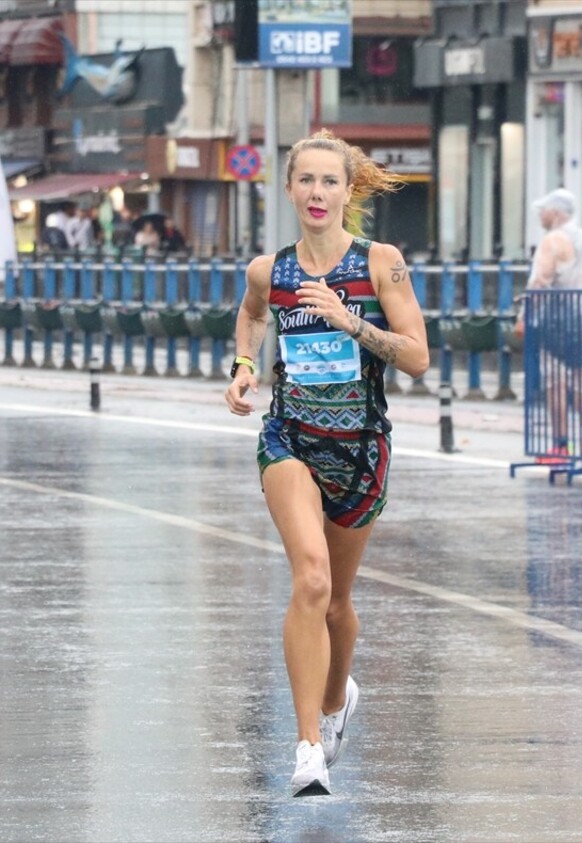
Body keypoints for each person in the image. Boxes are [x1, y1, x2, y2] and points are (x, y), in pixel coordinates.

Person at [224, 129, 428, 797]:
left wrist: (350, 322)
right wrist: (245, 366)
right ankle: (308, 744)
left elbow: (418, 356)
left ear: (347, 191)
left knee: (338, 602)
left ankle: (338, 700)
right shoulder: (270, 270)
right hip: (290, 438)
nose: (317, 192)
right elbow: (251, 315)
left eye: (329, 182)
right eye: (306, 180)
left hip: (361, 449)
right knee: (309, 579)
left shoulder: (381, 263)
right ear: (289, 188)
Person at [525, 188, 582, 464]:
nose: (540, 215)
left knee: (556, 382)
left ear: (556, 213)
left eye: (544, 211)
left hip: (558, 323)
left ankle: (561, 446)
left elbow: (540, 281)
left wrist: (524, 318)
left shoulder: (552, 240)